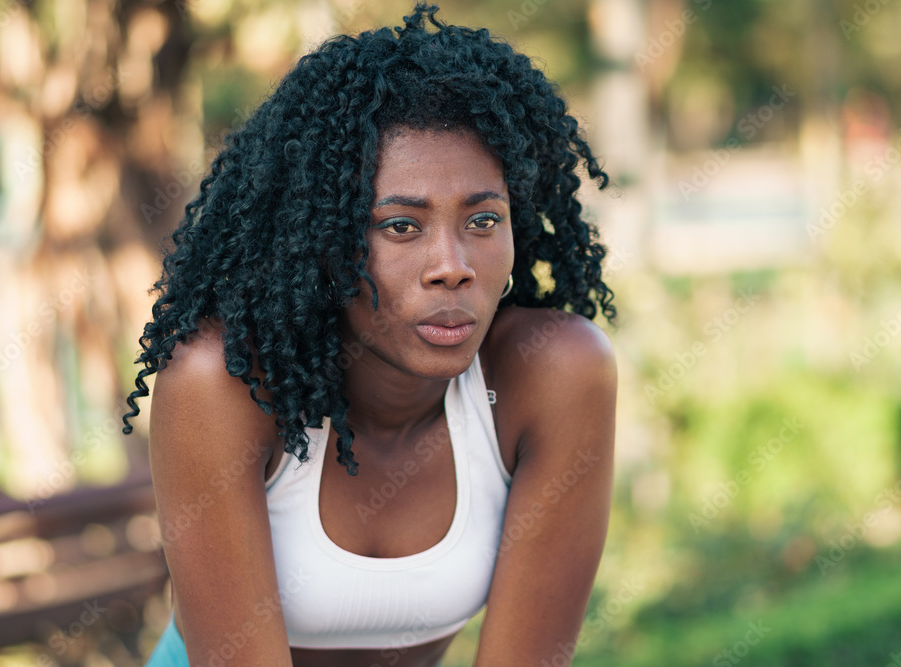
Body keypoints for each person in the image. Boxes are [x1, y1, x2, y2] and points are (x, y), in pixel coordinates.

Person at [122, 3, 618, 665]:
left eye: (482, 219)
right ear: (321, 242)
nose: (453, 266)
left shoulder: (554, 372)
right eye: (401, 226)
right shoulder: (224, 383)